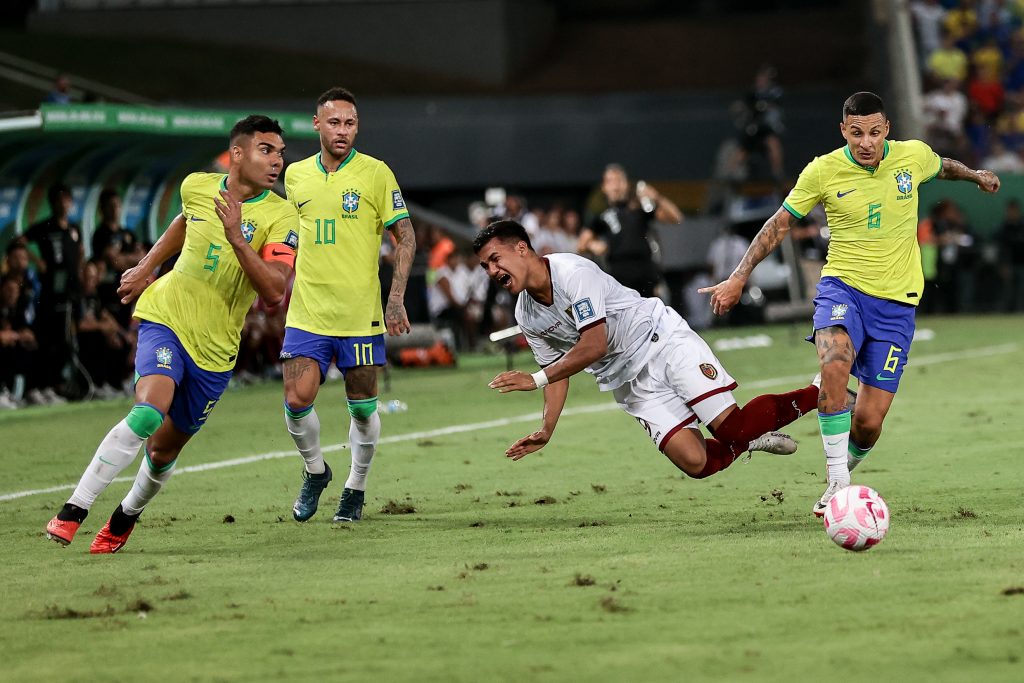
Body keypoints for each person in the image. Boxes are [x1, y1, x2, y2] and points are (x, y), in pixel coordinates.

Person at [699, 91, 1000, 515]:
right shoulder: (823, 170)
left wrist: (976, 174)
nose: (866, 142)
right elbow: (780, 223)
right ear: (844, 130)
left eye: (874, 132)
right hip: (843, 289)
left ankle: (846, 462)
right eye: (856, 133)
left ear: (886, 130)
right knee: (834, 362)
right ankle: (837, 482)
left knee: (869, 422)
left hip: (897, 304)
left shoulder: (912, 157)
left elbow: (944, 166)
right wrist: (738, 275)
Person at [44, 115, 298, 553]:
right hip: (167, 314)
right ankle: (74, 509)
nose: (277, 161)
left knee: (162, 452)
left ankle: (125, 517)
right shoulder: (197, 185)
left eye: (279, 152)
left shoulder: (281, 215)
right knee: (147, 412)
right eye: (266, 150)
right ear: (237, 154)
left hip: (216, 349)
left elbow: (274, 291)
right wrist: (146, 267)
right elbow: (184, 221)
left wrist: (238, 238)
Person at [475, 220, 825, 480]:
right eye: (485, 266)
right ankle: (749, 440)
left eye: (495, 258)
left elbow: (593, 344)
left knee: (731, 427)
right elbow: (558, 370)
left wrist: (534, 379)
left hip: (661, 341)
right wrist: (547, 428)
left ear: (521, 248)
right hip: (628, 381)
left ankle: (819, 392)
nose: (492, 271)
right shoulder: (526, 313)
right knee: (696, 463)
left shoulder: (572, 272)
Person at [281, 87, 415, 524]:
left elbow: (406, 235)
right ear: (316, 124)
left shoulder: (376, 173)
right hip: (308, 312)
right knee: (296, 400)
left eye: (350, 123)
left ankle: (354, 487)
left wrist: (394, 298)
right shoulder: (295, 176)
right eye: (334, 122)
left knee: (361, 407)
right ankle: (316, 470)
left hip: (360, 315)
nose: (343, 131)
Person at [578, 164, 683, 298]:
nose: (616, 186)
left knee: (653, 315)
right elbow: (581, 245)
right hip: (618, 274)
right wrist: (593, 245)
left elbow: (676, 218)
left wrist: (657, 197)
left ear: (626, 184)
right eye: (611, 181)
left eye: (619, 180)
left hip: (646, 272)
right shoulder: (601, 215)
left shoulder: (641, 208)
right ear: (604, 187)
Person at [24, 184, 84, 405]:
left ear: (70, 202)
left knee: (67, 341)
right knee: (49, 339)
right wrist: (36, 260)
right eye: (58, 200)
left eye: (66, 199)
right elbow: (20, 242)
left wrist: (80, 269)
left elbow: (80, 252)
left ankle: (58, 385)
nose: (62, 204)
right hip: (50, 293)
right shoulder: (44, 227)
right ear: (52, 203)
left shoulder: (74, 228)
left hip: (72, 291)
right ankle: (41, 386)